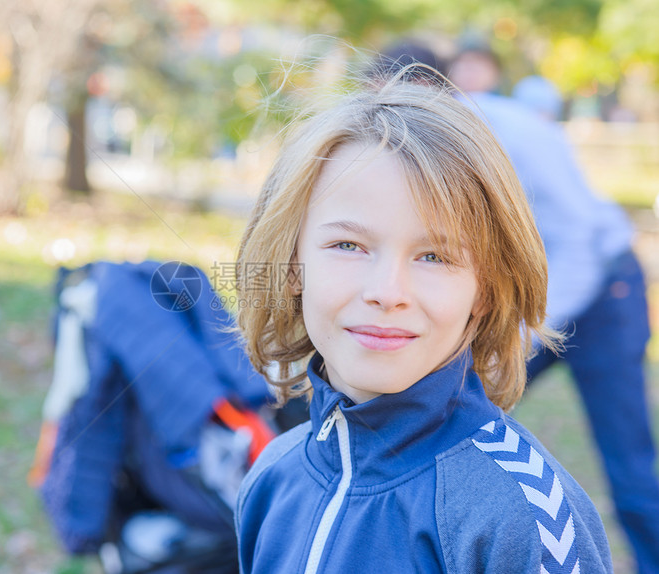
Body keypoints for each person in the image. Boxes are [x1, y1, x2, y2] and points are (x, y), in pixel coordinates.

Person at [232, 69, 612, 573]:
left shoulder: (522, 518)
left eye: (434, 256)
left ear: (485, 289)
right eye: (348, 245)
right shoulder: (272, 478)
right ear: (292, 265)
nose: (387, 293)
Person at [448, 46, 659, 574]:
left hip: (603, 292)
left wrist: (523, 333)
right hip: (539, 300)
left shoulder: (512, 132)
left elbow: (581, 242)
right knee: (452, 413)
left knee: (628, 465)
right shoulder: (432, 146)